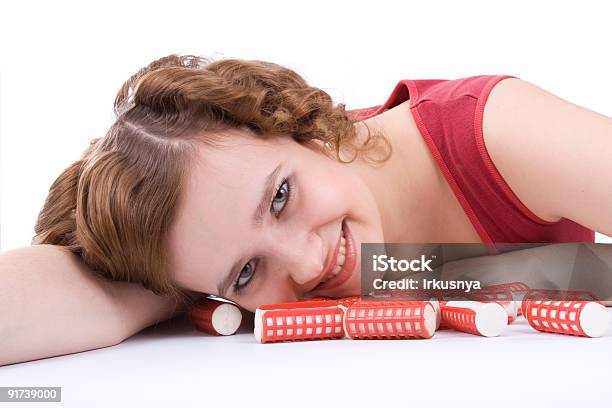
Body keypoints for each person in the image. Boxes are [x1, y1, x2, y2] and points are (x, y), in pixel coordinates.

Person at [2, 53, 611, 365]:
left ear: (297, 126)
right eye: (245, 272)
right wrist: (153, 283)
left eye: (281, 196)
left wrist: (555, 270)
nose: (304, 262)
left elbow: (590, 274)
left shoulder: (499, 130)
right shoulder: (203, 247)